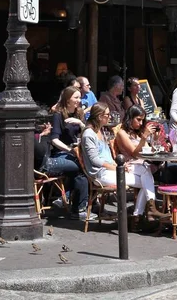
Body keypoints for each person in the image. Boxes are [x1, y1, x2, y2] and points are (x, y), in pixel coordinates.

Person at [81, 103, 168, 231]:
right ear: (99, 117)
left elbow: (107, 156)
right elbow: (95, 160)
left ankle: (141, 215)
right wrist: (116, 168)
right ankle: (143, 214)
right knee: (147, 181)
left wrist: (119, 165)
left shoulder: (100, 131)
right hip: (100, 174)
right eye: (107, 115)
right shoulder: (89, 134)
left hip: (111, 169)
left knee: (145, 171)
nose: (109, 117)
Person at [50, 86, 95, 221]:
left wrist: (81, 124)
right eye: (76, 97)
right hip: (61, 153)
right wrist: (69, 150)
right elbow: (54, 140)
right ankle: (79, 208)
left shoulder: (79, 113)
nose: (78, 100)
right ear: (67, 99)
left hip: (77, 153)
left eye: (79, 97)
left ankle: (68, 197)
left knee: (85, 167)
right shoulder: (58, 115)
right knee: (81, 170)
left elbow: (87, 133)